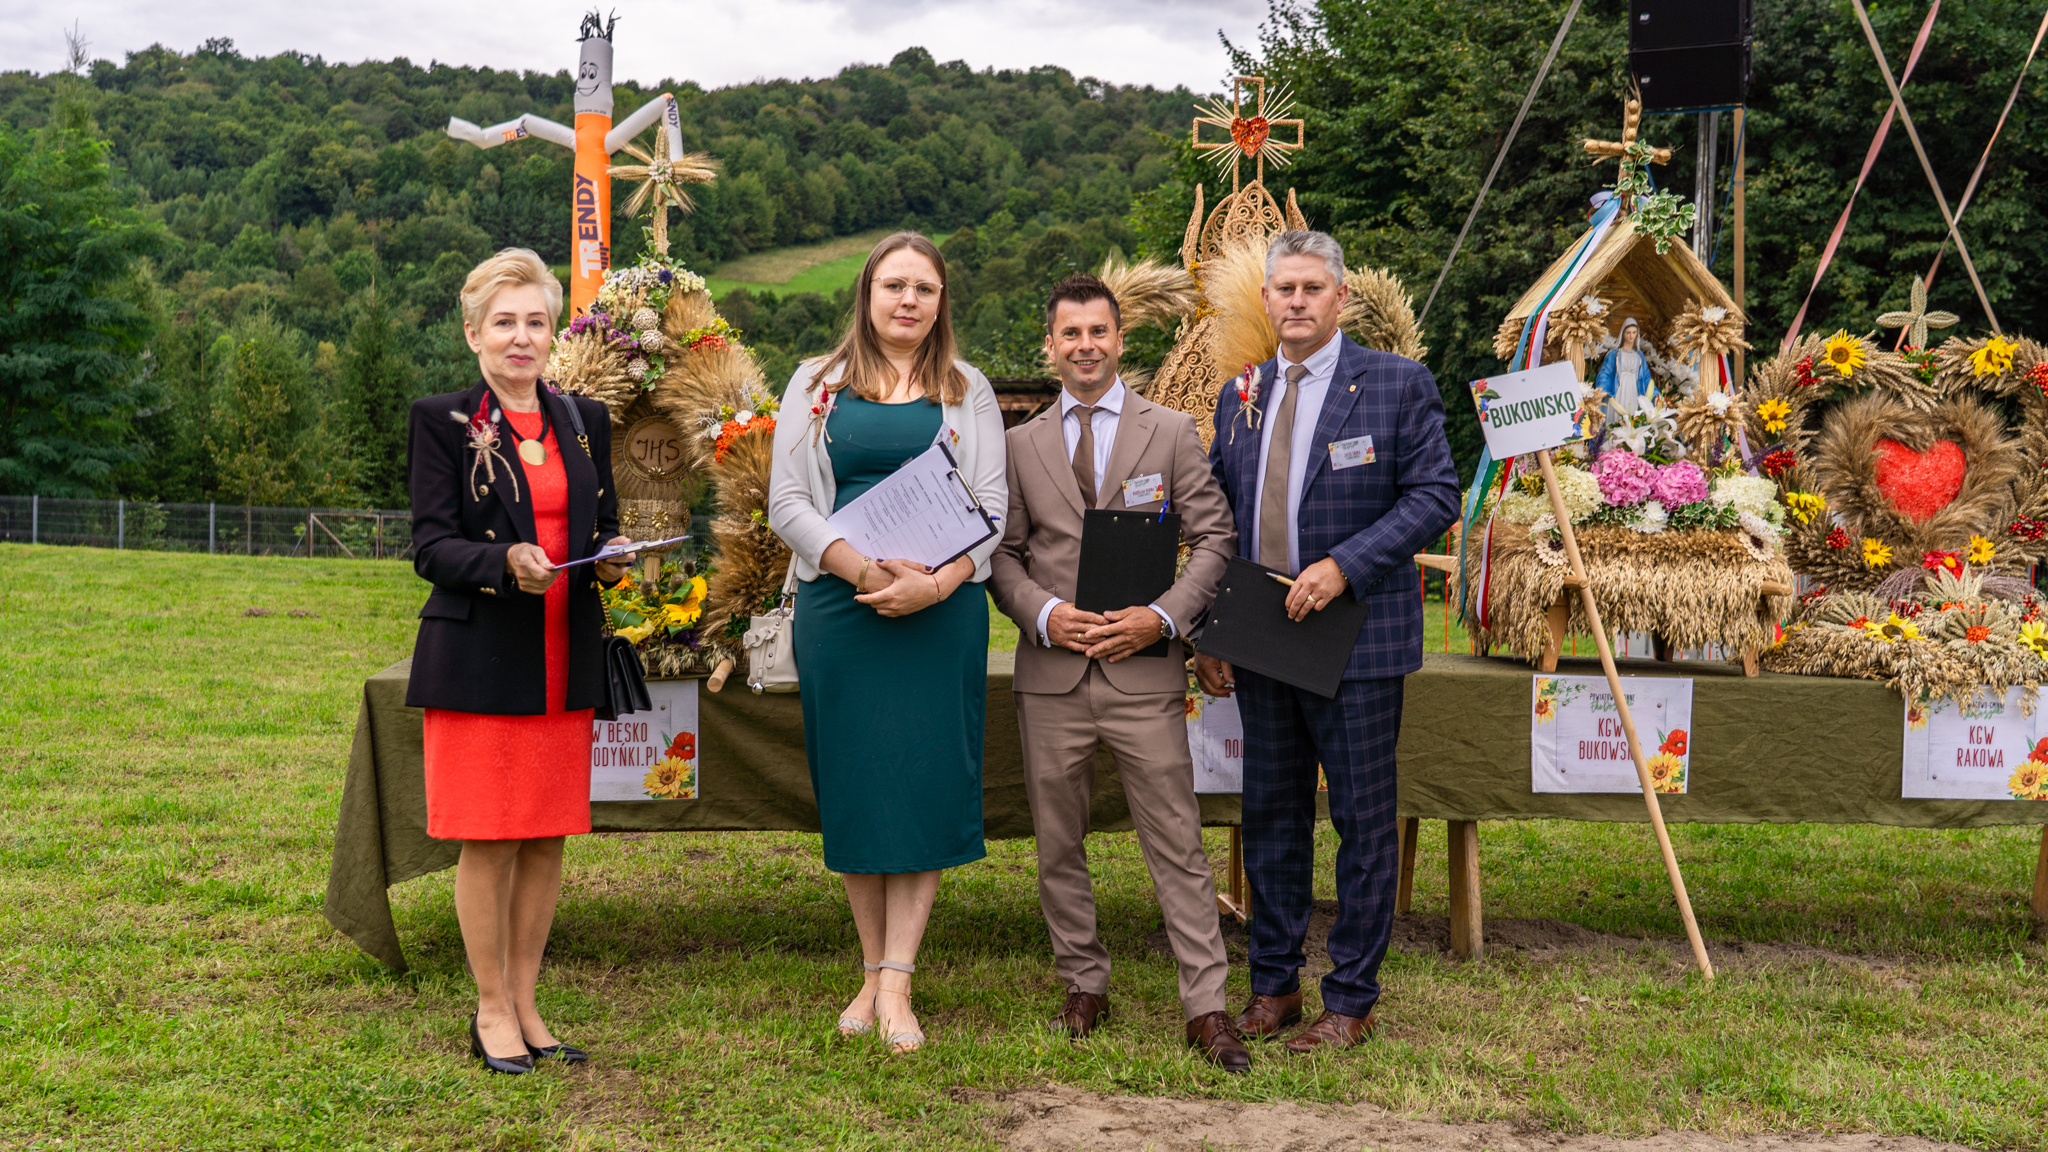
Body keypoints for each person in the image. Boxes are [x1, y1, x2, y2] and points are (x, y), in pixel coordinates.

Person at [1195, 231, 1460, 1054]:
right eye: (1285, 288)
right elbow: (1219, 518)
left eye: (1313, 288)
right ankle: (1273, 984)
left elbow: (1435, 495)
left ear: (1341, 297)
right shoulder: (1240, 394)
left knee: (1361, 823)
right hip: (1262, 636)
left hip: (1358, 638)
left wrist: (1346, 566)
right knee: (1272, 816)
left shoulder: (1396, 384)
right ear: (1266, 299)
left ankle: (1350, 1000)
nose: (1298, 301)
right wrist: (1211, 627)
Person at [989, 274, 1250, 1072]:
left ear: (1118, 339)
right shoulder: (1019, 444)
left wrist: (1162, 619)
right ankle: (1083, 982)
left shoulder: (1168, 432)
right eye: (1070, 334)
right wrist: (1042, 614)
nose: (1085, 346)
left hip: (1144, 673)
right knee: (1058, 842)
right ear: (1051, 345)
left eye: (1097, 332)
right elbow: (1001, 555)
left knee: (1176, 841)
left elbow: (1215, 537)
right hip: (1053, 675)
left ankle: (1205, 1005)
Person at [766, 231, 1007, 1054]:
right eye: (894, 285)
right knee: (859, 784)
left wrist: (932, 586)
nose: (909, 300)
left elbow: (994, 510)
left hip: (940, 614)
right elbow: (788, 501)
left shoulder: (968, 389)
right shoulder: (815, 383)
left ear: (942, 303)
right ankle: (871, 970)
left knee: (924, 781)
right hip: (841, 608)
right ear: (867, 294)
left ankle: (898, 980)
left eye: (925, 289)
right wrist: (866, 573)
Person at [405, 247, 637, 1074]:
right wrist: (503, 562)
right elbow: (431, 547)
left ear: (553, 334)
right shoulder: (442, 421)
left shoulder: (584, 419)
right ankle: (491, 1008)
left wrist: (611, 557)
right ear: (474, 334)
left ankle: (530, 1003)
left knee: (544, 838)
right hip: (481, 659)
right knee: (493, 839)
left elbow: (599, 524)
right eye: (504, 322)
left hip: (564, 657)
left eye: (535, 322)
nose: (521, 337)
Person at [1594, 318, 1656, 417]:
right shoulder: (1614, 354)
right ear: (1623, 333)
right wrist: (1601, 391)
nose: (1631, 336)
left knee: (1633, 415)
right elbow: (1605, 374)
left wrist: (1656, 394)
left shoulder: (1639, 356)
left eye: (1634, 332)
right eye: (1628, 333)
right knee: (1617, 414)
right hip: (1618, 390)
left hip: (1634, 391)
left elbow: (1646, 378)